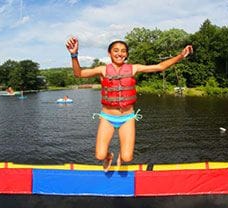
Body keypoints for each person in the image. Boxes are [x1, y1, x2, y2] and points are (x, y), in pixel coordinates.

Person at [66, 36, 192, 171]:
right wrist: (74, 54)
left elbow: (160, 67)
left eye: (123, 51)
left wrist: (180, 56)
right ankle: (109, 156)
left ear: (126, 54)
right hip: (107, 117)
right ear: (109, 53)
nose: (120, 53)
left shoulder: (133, 68)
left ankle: (121, 156)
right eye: (116, 50)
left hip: (127, 118)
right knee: (99, 155)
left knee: (127, 158)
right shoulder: (102, 70)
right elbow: (78, 74)